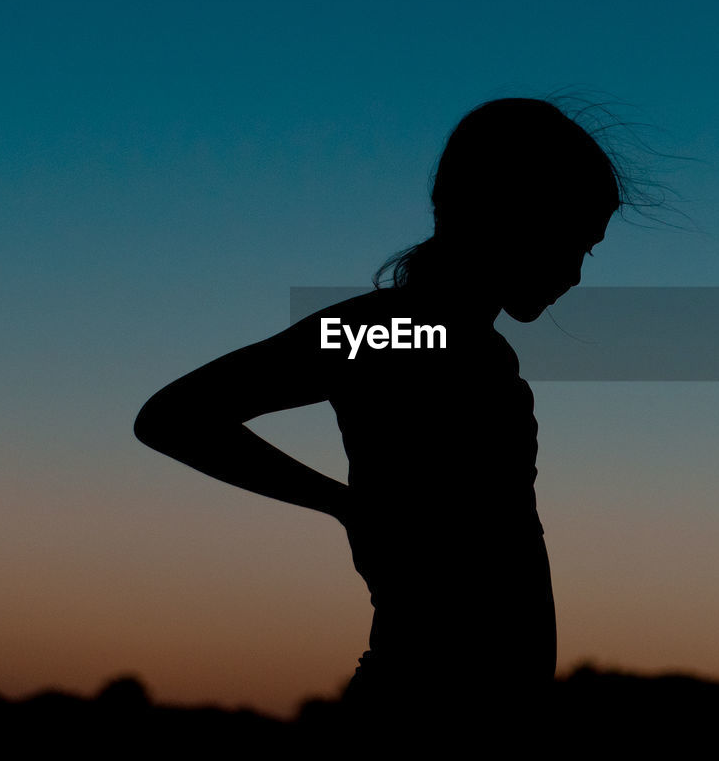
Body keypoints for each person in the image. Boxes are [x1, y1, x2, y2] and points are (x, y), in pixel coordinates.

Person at [134, 97, 637, 745]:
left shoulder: (466, 344)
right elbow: (176, 416)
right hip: (424, 712)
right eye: (567, 240)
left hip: (477, 714)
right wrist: (345, 505)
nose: (572, 272)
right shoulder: (404, 332)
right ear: (504, 213)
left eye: (586, 251)